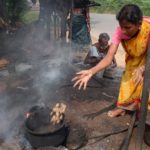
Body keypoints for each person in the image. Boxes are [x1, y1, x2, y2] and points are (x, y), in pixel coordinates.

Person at [72, 4, 150, 117]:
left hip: (148, 56)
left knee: (146, 82)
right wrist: (91, 71)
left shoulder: (148, 28)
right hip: (133, 58)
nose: (123, 30)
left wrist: (143, 68)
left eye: (127, 27)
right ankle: (123, 108)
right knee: (128, 81)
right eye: (121, 26)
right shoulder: (120, 32)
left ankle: (144, 111)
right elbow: (109, 57)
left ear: (139, 24)